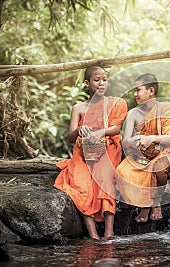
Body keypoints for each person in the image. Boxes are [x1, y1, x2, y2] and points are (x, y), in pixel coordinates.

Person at [54, 66, 128, 240]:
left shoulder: (113, 104)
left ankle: (109, 232)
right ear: (87, 83)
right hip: (83, 153)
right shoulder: (78, 108)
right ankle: (93, 234)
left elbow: (116, 129)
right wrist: (80, 129)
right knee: (82, 184)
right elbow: (71, 137)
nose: (102, 83)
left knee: (105, 178)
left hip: (107, 149)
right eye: (97, 80)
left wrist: (100, 132)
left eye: (104, 79)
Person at [116, 73, 170, 223]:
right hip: (140, 155)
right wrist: (137, 141)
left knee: (157, 167)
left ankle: (155, 204)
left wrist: (151, 138)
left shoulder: (166, 109)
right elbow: (125, 141)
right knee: (122, 171)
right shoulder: (132, 114)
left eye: (138, 90)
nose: (134, 94)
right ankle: (143, 205)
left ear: (151, 91)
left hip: (163, 152)